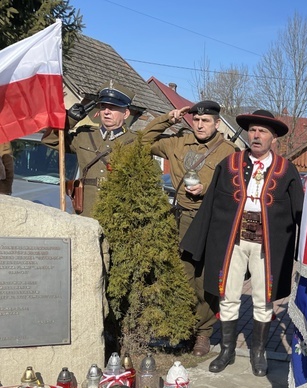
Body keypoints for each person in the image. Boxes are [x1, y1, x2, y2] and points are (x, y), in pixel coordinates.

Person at [181, 110, 304, 376]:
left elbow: (300, 211)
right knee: (228, 294)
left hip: (268, 246)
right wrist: (196, 241)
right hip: (231, 241)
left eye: (263, 131)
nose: (257, 135)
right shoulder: (230, 163)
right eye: (253, 130)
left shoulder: (286, 170)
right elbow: (211, 201)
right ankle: (226, 351)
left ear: (273, 138)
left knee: (263, 299)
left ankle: (258, 353)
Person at [140, 100, 237, 356]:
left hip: (209, 220)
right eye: (196, 120)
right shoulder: (178, 142)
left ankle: (203, 334)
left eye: (206, 121)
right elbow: (144, 141)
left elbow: (237, 189)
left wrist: (207, 189)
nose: (200, 124)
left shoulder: (228, 151)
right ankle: (182, 329)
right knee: (181, 276)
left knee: (204, 279)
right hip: (180, 218)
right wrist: (167, 118)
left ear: (217, 123)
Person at [42, 82, 137, 217]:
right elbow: (50, 140)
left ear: (126, 113)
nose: (107, 112)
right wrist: (69, 120)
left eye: (113, 108)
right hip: (86, 210)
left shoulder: (136, 141)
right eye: (103, 107)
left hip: (119, 213)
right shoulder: (84, 135)